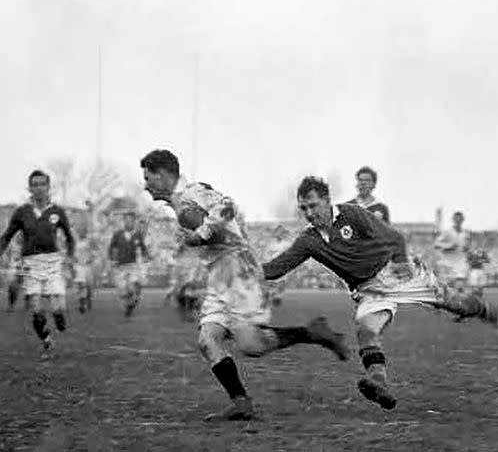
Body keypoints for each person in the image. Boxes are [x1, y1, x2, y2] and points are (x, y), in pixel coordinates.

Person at [262, 177, 498, 410]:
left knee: (459, 305)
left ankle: (484, 310)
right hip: (369, 291)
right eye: (304, 209)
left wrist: (400, 261)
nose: (309, 213)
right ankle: (378, 382)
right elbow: (275, 269)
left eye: (313, 205)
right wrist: (242, 269)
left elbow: (394, 238)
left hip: (397, 275)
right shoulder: (309, 240)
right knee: (366, 331)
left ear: (328, 201)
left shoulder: (353, 215)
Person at [140, 149, 349, 421]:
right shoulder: (181, 203)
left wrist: (201, 235)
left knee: (251, 346)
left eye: (148, 178)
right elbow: (229, 223)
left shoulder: (193, 192)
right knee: (208, 339)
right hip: (220, 275)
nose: (145, 185)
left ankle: (312, 332)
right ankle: (241, 403)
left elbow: (227, 207)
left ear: (164, 174)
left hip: (238, 273)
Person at [0, 170, 75, 358]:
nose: (38, 188)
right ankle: (47, 342)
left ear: (48, 187)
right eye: (34, 185)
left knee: (58, 308)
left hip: (52, 262)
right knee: (36, 310)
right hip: (31, 264)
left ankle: (59, 317)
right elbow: (8, 234)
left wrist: (70, 257)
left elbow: (69, 238)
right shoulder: (22, 212)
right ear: (29, 188)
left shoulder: (57, 212)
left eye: (42, 184)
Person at [109, 210, 149, 318]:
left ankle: (132, 300)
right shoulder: (117, 234)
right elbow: (112, 247)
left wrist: (145, 256)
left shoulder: (137, 235)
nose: (128, 223)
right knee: (122, 290)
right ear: (124, 222)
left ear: (134, 222)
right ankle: (129, 304)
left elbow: (143, 247)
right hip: (120, 266)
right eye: (126, 221)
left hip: (133, 265)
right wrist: (112, 259)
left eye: (131, 221)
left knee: (132, 285)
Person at [434, 211, 471, 294]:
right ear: (453, 220)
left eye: (460, 219)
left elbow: (467, 246)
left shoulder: (466, 233)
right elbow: (436, 244)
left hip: (461, 263)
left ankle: (460, 303)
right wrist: (449, 246)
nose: (458, 221)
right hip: (448, 263)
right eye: (456, 219)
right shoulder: (447, 232)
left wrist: (466, 247)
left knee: (460, 286)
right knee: (448, 288)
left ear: (462, 220)